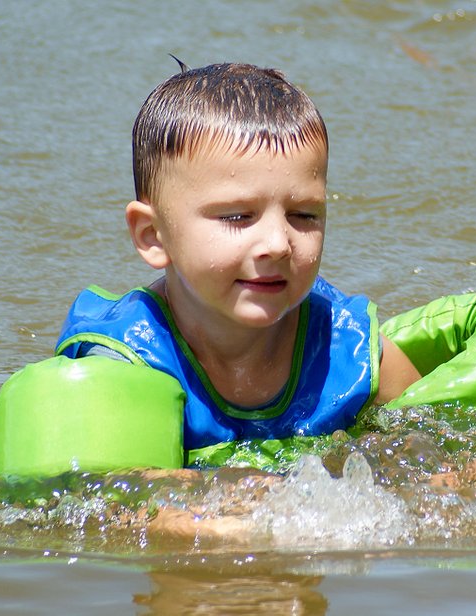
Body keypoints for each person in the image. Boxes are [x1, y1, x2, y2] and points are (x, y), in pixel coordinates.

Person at [54, 61, 422, 460]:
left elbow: (436, 451)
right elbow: (110, 504)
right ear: (152, 235)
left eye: (304, 215)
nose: (279, 243)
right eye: (237, 216)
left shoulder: (352, 351)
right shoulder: (122, 365)